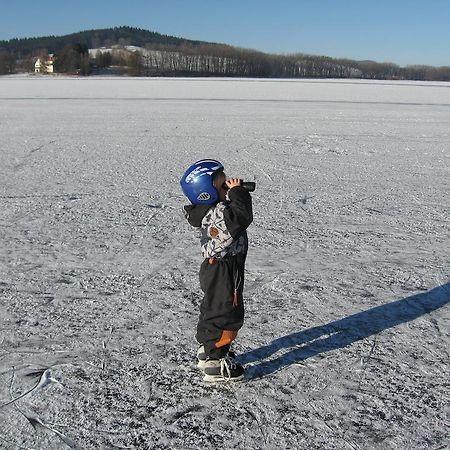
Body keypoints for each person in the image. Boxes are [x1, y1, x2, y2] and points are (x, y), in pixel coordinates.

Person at [180, 159, 253, 382]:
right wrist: (239, 192)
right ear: (206, 190)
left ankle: (208, 349)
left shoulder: (213, 210)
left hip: (221, 269)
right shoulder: (215, 215)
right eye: (222, 182)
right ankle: (215, 361)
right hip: (223, 271)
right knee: (225, 313)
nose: (227, 183)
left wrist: (231, 193)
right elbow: (240, 217)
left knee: (213, 308)